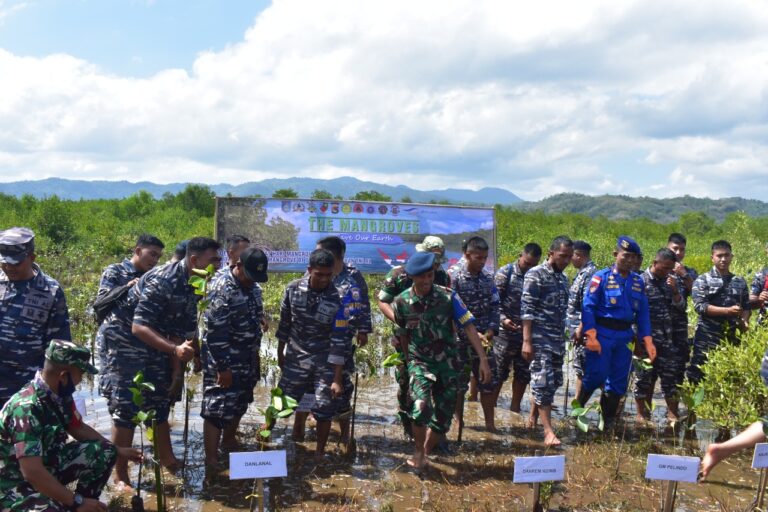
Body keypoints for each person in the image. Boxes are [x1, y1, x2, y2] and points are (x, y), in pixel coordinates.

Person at [103, 237, 221, 486]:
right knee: (126, 406)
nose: (218, 266)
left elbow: (179, 330)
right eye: (213, 260)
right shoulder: (163, 279)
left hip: (157, 338)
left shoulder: (196, 283)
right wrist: (174, 350)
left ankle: (167, 459)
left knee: (159, 399)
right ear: (194, 260)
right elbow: (138, 327)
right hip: (124, 339)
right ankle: (120, 476)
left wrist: (177, 372)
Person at [0, 339, 142, 511]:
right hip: (14, 484)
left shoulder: (57, 395)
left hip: (48, 466)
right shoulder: (26, 409)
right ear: (63, 376)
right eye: (80, 374)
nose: (81, 380)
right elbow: (32, 473)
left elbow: (78, 427)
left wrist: (118, 450)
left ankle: (86, 507)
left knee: (105, 451)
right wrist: (76, 501)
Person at [392, 252, 491, 469]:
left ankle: (426, 451)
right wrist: (409, 362)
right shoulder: (401, 302)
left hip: (448, 363)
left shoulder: (449, 297)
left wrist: (483, 359)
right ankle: (419, 452)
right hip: (420, 362)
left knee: (443, 417)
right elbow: (402, 335)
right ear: (412, 277)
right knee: (420, 408)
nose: (427, 281)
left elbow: (469, 326)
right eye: (422, 277)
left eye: (430, 275)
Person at [276, 249, 350, 456]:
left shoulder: (339, 297)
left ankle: (319, 453)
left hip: (324, 358)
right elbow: (284, 324)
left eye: (328, 275)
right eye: (319, 274)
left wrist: (337, 379)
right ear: (309, 270)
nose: (324, 279)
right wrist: (280, 353)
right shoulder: (292, 289)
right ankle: (264, 441)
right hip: (296, 355)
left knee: (325, 406)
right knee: (281, 401)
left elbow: (340, 339)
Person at [377, 235, 451, 437]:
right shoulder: (399, 274)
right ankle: (407, 421)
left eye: (438, 263)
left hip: (434, 340)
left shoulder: (442, 276)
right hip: (405, 337)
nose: (435, 267)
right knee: (406, 380)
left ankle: (432, 431)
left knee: (437, 385)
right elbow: (383, 301)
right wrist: (400, 321)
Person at [578, 236, 655, 427]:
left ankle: (608, 422)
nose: (629, 260)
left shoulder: (637, 282)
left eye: (633, 257)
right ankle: (576, 412)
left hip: (624, 337)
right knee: (596, 375)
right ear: (616, 254)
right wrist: (590, 335)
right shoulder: (601, 277)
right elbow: (588, 307)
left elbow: (643, 314)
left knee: (618, 381)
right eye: (626, 256)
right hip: (602, 334)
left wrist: (646, 340)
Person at [201, 246, 268, 466]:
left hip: (247, 357)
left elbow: (255, 312)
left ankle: (229, 441)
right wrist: (223, 367)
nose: (252, 280)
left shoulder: (254, 288)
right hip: (224, 359)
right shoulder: (221, 288)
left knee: (240, 401)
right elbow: (215, 332)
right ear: (238, 265)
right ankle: (211, 459)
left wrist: (261, 319)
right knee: (216, 408)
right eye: (249, 275)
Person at [0, 227, 71, 407]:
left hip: (27, 392)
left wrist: (58, 391)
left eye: (16, 263)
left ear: (32, 257)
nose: (9, 267)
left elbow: (59, 346)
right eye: (4, 262)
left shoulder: (50, 291)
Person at [316, 236, 372, 443]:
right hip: (318, 339)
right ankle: (315, 421)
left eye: (321, 251)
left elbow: (363, 303)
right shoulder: (317, 270)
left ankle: (345, 434)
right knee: (315, 382)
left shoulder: (353, 275)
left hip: (344, 337)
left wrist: (363, 330)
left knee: (342, 382)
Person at [520, 236, 573, 446]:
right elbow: (527, 310)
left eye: (569, 257)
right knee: (543, 382)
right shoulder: (536, 274)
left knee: (553, 382)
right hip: (539, 338)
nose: (566, 261)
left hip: (557, 340)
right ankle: (548, 431)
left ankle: (533, 417)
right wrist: (526, 341)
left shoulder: (563, 278)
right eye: (562, 256)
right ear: (551, 253)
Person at [93, 234, 164, 382]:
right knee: (115, 387)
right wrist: (127, 288)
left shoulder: (152, 277)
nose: (155, 260)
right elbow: (101, 303)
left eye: (158, 257)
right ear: (138, 251)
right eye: (152, 254)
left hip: (142, 346)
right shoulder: (115, 271)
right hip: (116, 344)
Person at [448, 236, 500, 432]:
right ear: (467, 255)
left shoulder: (488, 278)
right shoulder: (454, 277)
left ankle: (490, 424)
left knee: (488, 381)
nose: (482, 262)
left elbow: (495, 306)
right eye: (479, 258)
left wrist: (491, 329)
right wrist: (471, 333)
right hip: (460, 340)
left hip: (485, 340)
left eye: (485, 258)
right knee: (459, 384)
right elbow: (450, 312)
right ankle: (458, 421)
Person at [686, 240, 751, 384]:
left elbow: (746, 306)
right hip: (707, 335)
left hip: (731, 336)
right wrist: (727, 311)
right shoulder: (703, 280)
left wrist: (745, 321)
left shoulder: (739, 281)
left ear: (731, 257)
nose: (723, 259)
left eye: (726, 255)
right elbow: (700, 307)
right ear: (712, 258)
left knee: (729, 377)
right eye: (719, 256)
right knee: (698, 375)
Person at [633, 248, 686, 422]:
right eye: (664, 268)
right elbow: (631, 313)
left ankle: (673, 415)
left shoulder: (671, 281)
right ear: (655, 263)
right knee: (643, 380)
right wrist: (636, 342)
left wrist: (676, 291)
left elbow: (681, 307)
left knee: (670, 379)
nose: (667, 272)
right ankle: (641, 416)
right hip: (645, 341)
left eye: (670, 269)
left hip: (666, 341)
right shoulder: (639, 282)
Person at [493, 243, 542, 414]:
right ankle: (492, 408)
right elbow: (494, 302)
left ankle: (515, 408)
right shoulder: (505, 273)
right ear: (520, 256)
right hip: (505, 333)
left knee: (523, 374)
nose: (529, 267)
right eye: (526, 263)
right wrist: (503, 319)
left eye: (533, 265)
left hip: (526, 334)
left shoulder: (537, 277)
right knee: (499, 372)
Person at [566, 240, 597, 402]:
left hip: (584, 331)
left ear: (578, 255)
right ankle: (577, 406)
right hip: (578, 331)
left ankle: (579, 406)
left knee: (584, 371)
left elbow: (588, 305)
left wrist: (580, 328)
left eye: (571, 255)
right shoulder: (582, 273)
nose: (569, 259)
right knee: (580, 370)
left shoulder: (590, 274)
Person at [667, 233, 698, 371]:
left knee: (679, 366)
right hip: (657, 325)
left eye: (682, 249)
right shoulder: (658, 269)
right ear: (667, 248)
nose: (678, 252)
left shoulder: (689, 272)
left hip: (679, 325)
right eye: (675, 248)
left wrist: (684, 274)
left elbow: (697, 294)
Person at [749, 241, 768, 325]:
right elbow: (750, 302)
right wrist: (760, 299)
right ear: (766, 251)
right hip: (764, 323)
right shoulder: (761, 274)